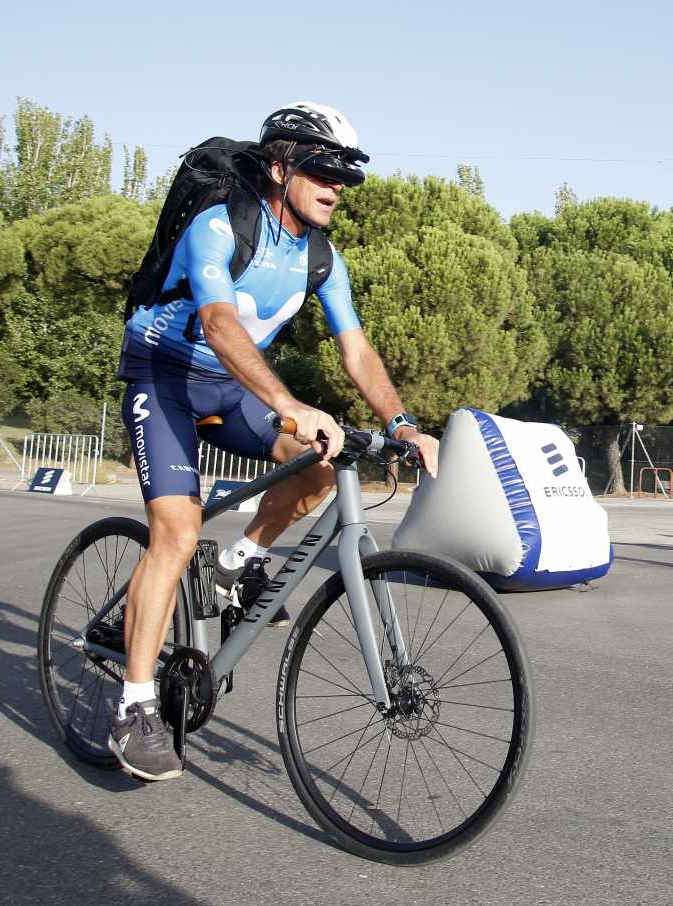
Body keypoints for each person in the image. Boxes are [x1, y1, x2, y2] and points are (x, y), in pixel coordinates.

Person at [110, 103, 440, 781]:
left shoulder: (322, 257)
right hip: (165, 374)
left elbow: (356, 350)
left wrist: (402, 423)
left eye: (346, 175)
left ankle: (237, 562)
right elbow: (220, 324)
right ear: (282, 165)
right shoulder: (221, 226)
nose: (337, 185)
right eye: (324, 169)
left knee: (325, 463)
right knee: (174, 532)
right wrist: (289, 403)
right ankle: (134, 707)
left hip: (232, 389)